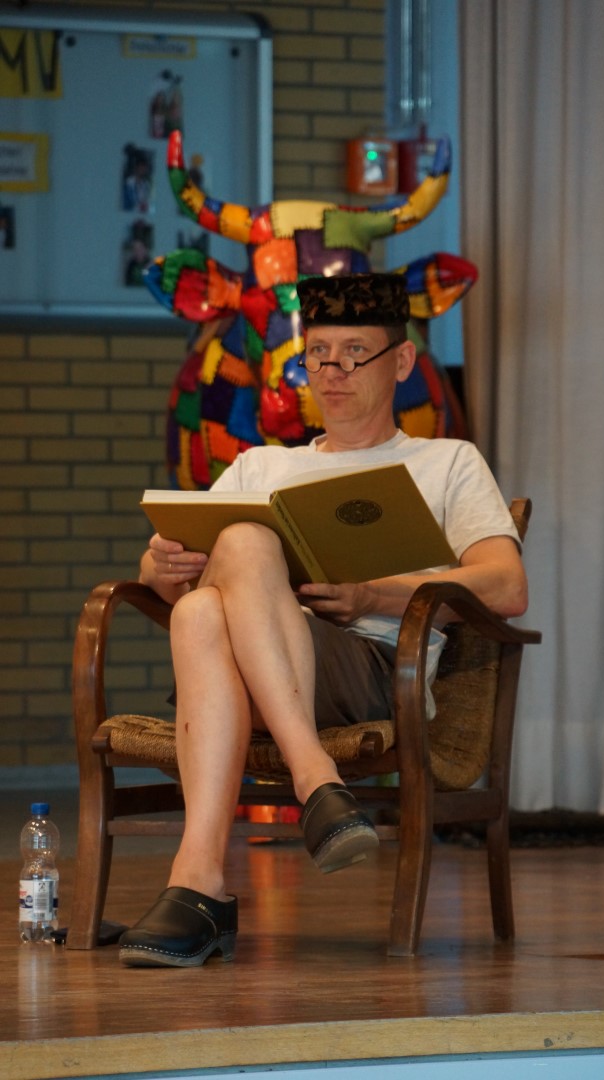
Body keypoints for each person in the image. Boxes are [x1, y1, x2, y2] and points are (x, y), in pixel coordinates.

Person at [118, 273, 528, 968]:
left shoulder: (446, 461)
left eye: (355, 353)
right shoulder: (259, 465)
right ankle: (297, 801)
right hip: (250, 674)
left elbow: (507, 586)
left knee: (227, 570)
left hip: (371, 669)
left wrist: (374, 596)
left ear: (401, 361)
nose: (332, 372)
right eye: (317, 354)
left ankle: (201, 891)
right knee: (200, 603)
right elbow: (159, 571)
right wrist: (161, 563)